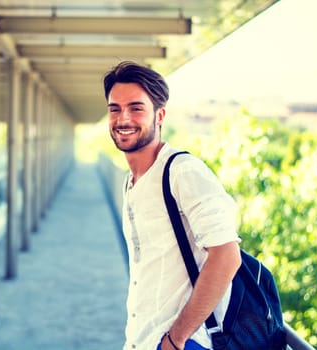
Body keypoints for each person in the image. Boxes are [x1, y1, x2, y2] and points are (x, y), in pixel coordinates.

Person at [103, 61, 242, 350]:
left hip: (184, 342)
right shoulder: (131, 181)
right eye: (114, 108)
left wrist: (175, 340)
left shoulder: (182, 171)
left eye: (136, 108)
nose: (123, 118)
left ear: (160, 115)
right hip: (142, 338)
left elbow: (227, 256)